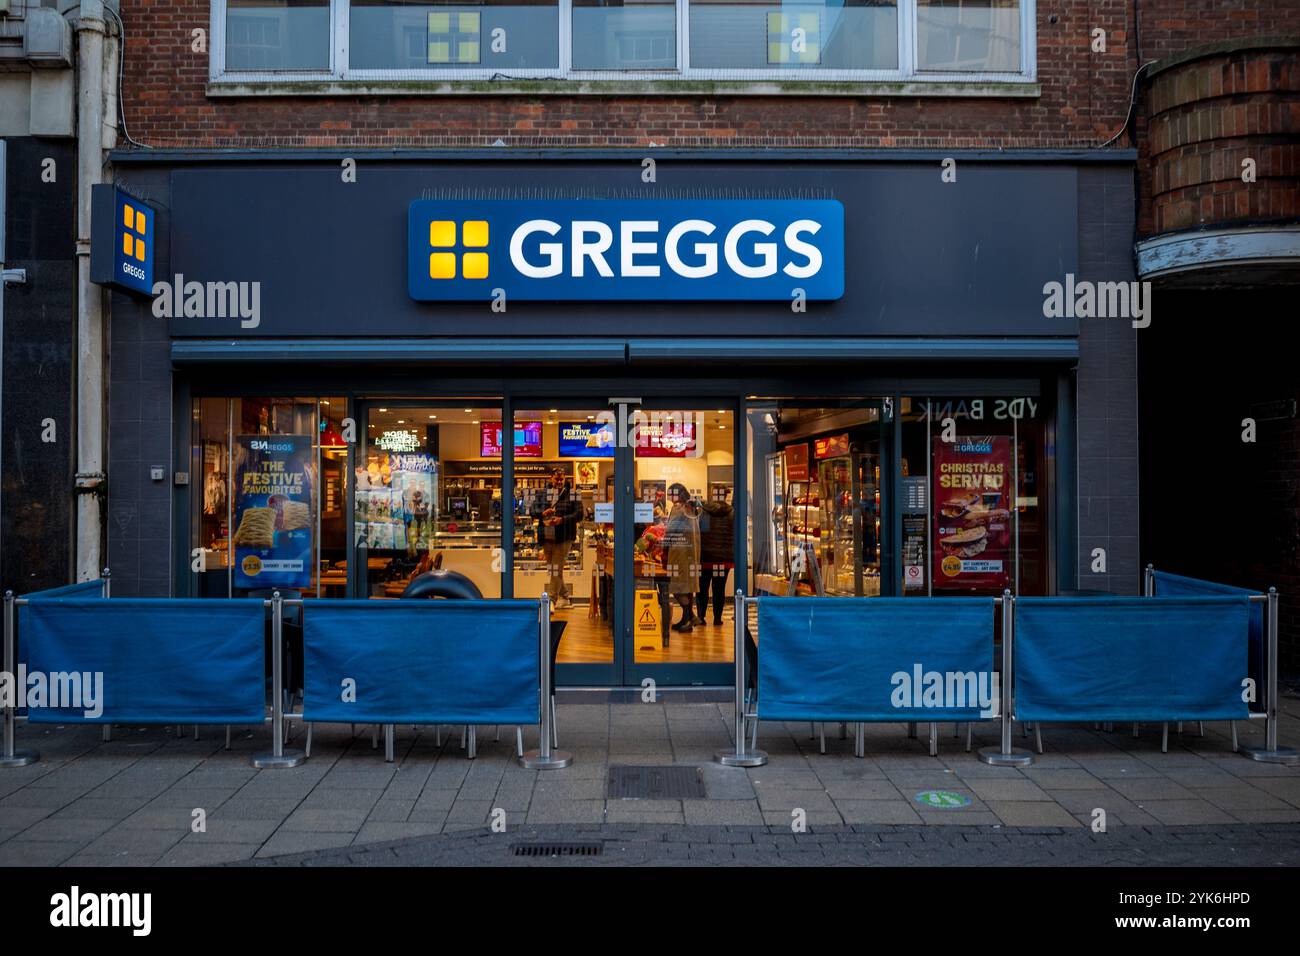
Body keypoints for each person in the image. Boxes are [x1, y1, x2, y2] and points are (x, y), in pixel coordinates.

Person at [532, 467, 579, 609]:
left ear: (565, 478)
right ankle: (565, 597)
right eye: (556, 478)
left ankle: (551, 601)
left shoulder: (573, 494)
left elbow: (579, 514)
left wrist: (562, 520)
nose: (559, 481)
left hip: (564, 537)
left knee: (556, 569)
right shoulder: (542, 494)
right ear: (550, 478)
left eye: (561, 478)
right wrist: (542, 513)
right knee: (553, 570)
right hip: (547, 537)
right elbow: (532, 511)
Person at [663, 483, 701, 632]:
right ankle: (688, 618)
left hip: (680, 551)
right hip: (692, 551)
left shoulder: (678, 508)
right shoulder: (691, 508)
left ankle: (689, 617)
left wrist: (664, 545)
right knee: (688, 586)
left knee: (676, 585)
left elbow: (671, 530)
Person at [696, 489, 734, 625]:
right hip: (723, 559)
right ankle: (717, 618)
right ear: (725, 496)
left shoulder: (704, 512)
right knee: (719, 588)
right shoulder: (732, 513)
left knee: (702, 587)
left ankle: (701, 617)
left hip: (705, 558)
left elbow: (698, 532)